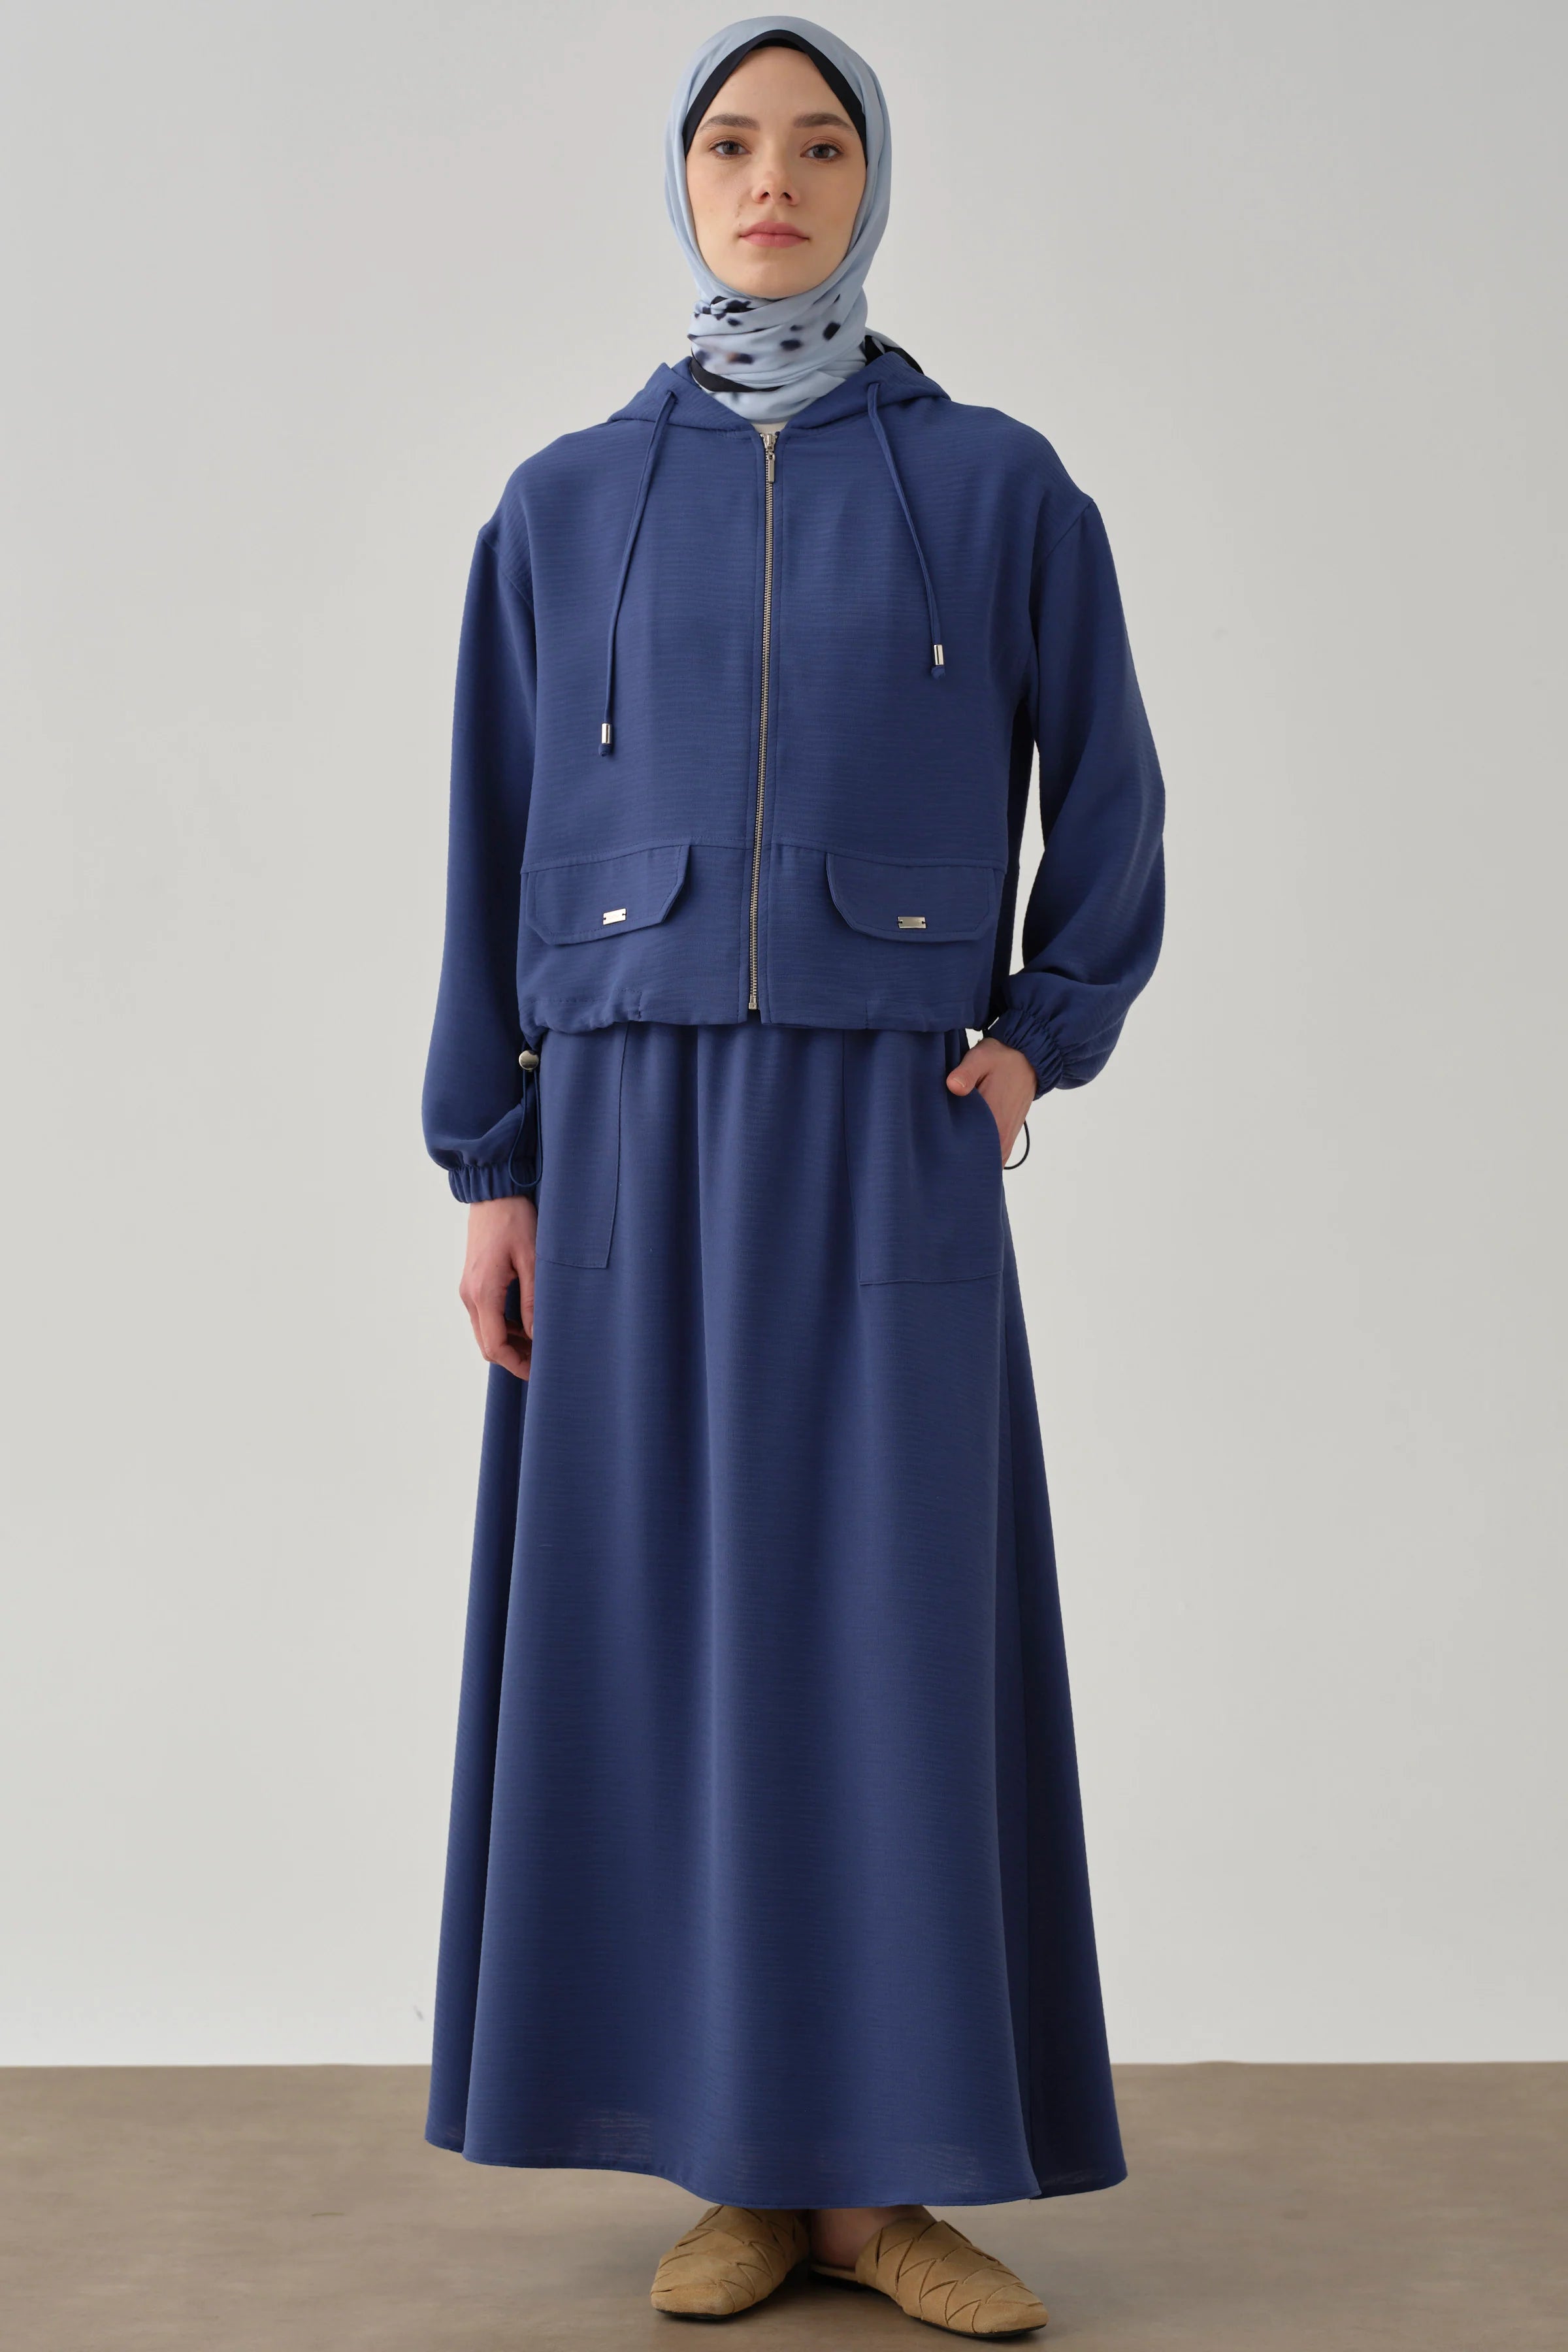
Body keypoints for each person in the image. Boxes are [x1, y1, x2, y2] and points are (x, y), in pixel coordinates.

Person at [419, 16, 1165, 2337]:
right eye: (734, 143)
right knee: (666, 1644)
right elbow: (485, 842)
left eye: (820, 144)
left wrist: (1041, 1034)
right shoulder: (564, 502)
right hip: (624, 1146)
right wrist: (491, 1162)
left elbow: (1113, 796)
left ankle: (890, 2184)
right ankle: (742, 2170)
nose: (775, 181)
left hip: (886, 1134)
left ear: (871, 180)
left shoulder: (999, 487)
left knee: (887, 1649)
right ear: (682, 179)